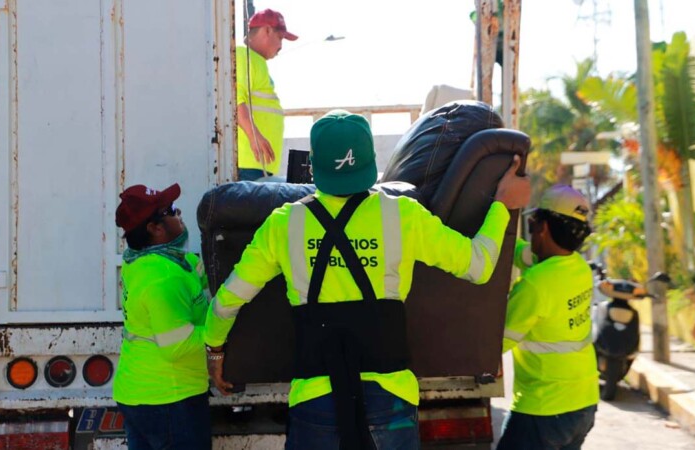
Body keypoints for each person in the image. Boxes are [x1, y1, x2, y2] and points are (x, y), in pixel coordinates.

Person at [204, 109, 531, 449]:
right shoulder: (402, 213)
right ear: (371, 161)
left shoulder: (283, 224)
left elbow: (229, 300)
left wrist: (215, 351)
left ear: (314, 166)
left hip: (315, 399)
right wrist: (501, 206)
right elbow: (478, 266)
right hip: (390, 399)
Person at [496, 184, 599, 450]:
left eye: (533, 223)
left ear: (541, 228)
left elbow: (497, 343)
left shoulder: (534, 285)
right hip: (583, 405)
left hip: (543, 409)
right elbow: (523, 254)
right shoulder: (579, 267)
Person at [113, 183, 211, 450]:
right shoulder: (163, 279)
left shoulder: (141, 261)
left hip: (139, 392)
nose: (179, 213)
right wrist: (223, 336)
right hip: (168, 398)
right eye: (170, 210)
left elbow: (195, 271)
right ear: (154, 228)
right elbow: (178, 346)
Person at [237, 8, 298, 181]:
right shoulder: (245, 57)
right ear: (267, 30)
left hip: (257, 164)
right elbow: (235, 99)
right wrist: (253, 134)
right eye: (280, 38)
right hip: (249, 165)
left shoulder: (255, 61)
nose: (281, 46)